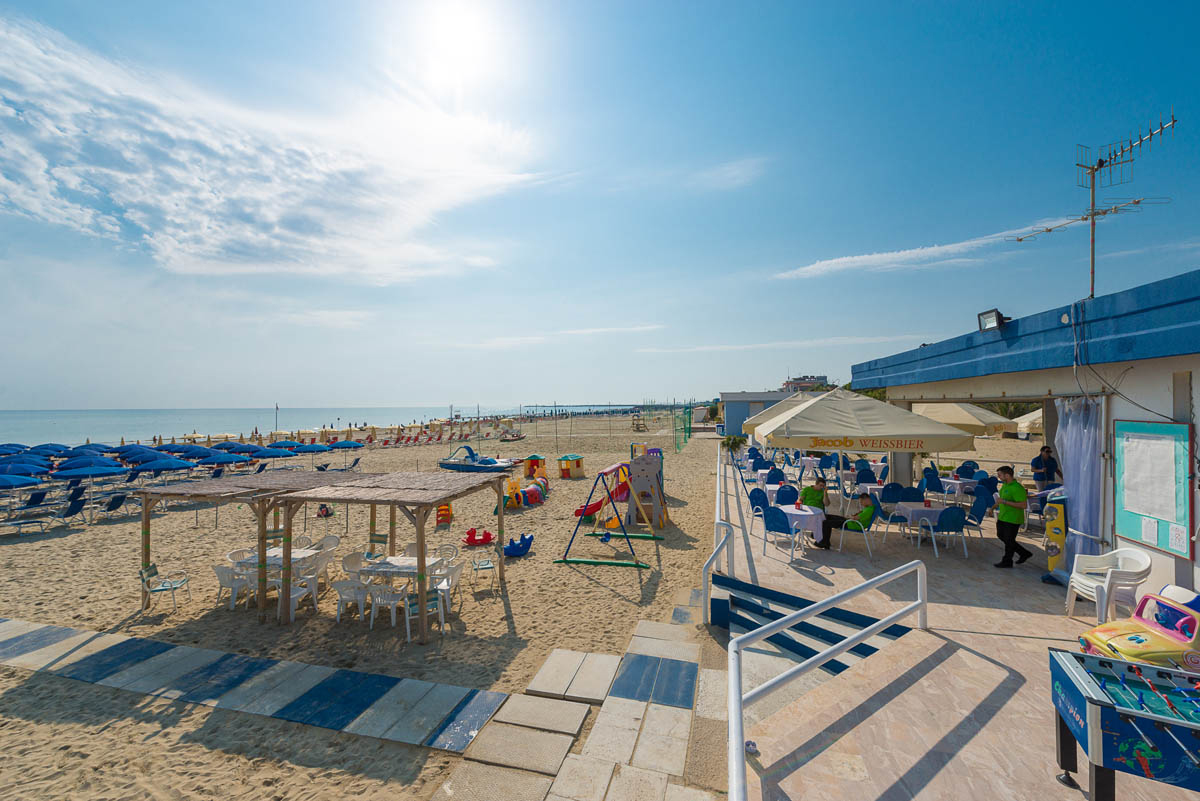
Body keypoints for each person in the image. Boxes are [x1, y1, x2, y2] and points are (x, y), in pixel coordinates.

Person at [994, 465, 1032, 568]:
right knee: (1001, 536)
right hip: (1003, 516)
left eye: (1000, 475)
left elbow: (1023, 505)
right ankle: (1024, 553)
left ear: (1007, 475)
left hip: (1013, 518)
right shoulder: (1005, 485)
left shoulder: (1017, 488)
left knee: (1009, 540)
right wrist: (993, 507)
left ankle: (1007, 560)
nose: (999, 477)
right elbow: (1001, 499)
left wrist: (1005, 502)